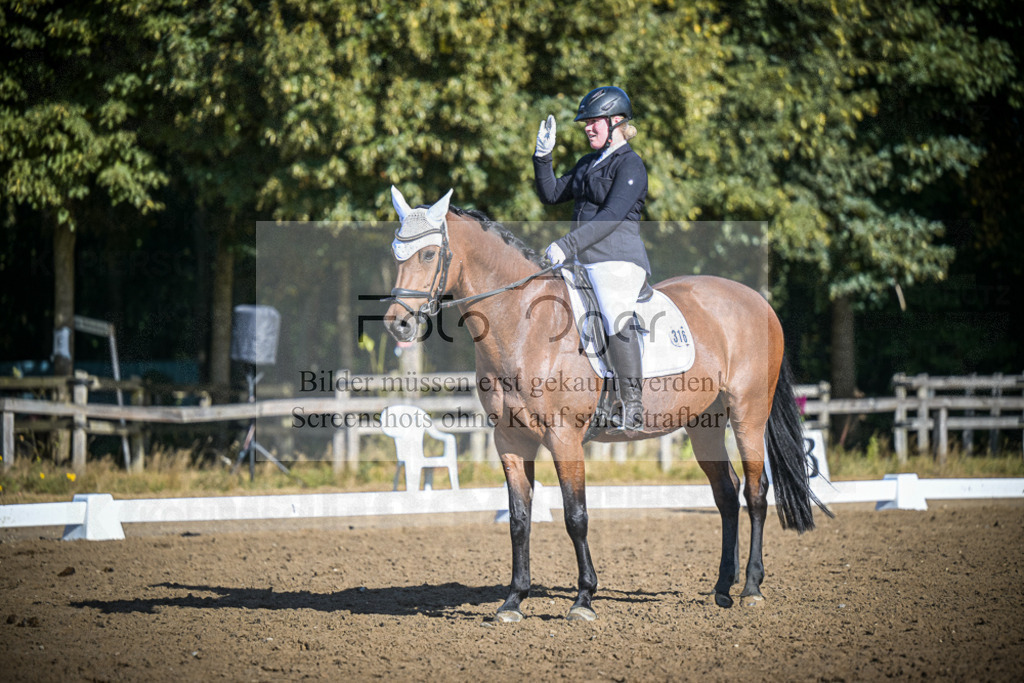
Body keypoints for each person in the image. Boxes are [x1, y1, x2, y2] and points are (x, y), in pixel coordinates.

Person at [533, 86, 650, 432]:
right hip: (583, 262)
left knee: (613, 309)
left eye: (594, 122)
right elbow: (552, 192)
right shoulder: (588, 163)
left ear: (616, 122)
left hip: (618, 262)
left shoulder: (631, 164)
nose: (587, 128)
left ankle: (631, 404)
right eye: (585, 123)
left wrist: (566, 245)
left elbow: (613, 215)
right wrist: (543, 156)